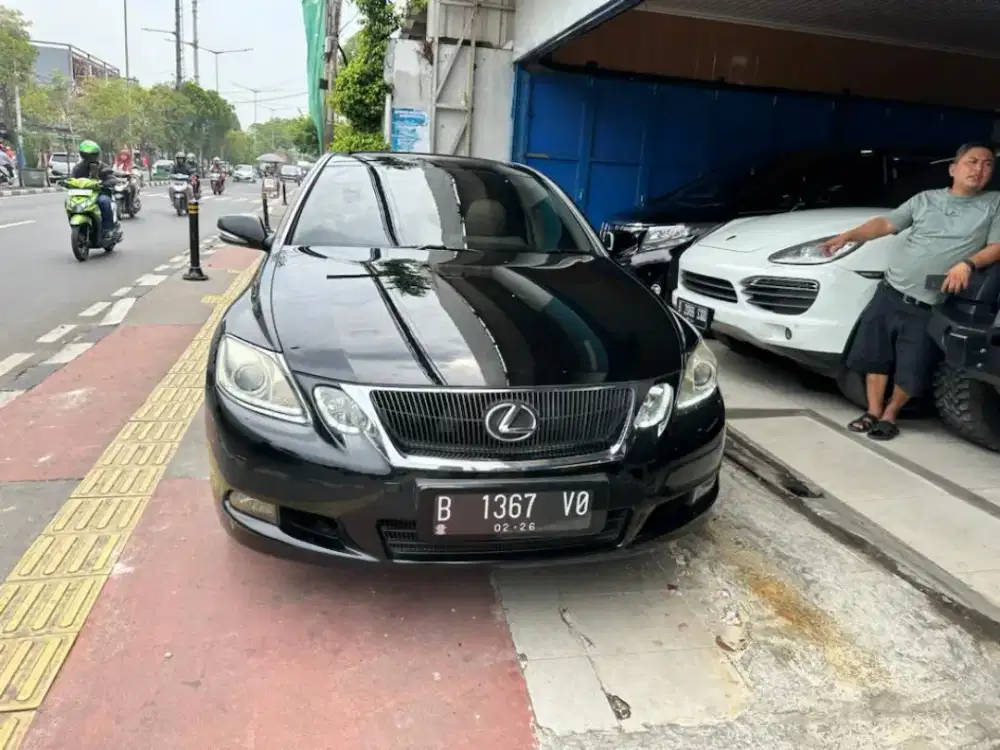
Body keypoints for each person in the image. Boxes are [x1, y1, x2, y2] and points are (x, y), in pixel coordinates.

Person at [822, 142, 1000, 441]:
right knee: (874, 356)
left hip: (930, 302)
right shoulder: (925, 200)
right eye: (972, 162)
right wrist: (849, 236)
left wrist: (967, 264)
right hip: (890, 291)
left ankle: (891, 416)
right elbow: (886, 223)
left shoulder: (994, 203)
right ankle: (872, 412)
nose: (979, 169)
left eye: (987, 164)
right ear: (953, 169)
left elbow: (997, 246)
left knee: (912, 364)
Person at [70, 140, 117, 242]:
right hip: (84, 195)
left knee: (104, 201)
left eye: (92, 155)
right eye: (86, 155)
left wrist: (104, 183)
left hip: (100, 193)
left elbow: (112, 178)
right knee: (68, 202)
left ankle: (108, 229)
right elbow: (71, 179)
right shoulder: (78, 168)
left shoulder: (102, 166)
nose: (89, 158)